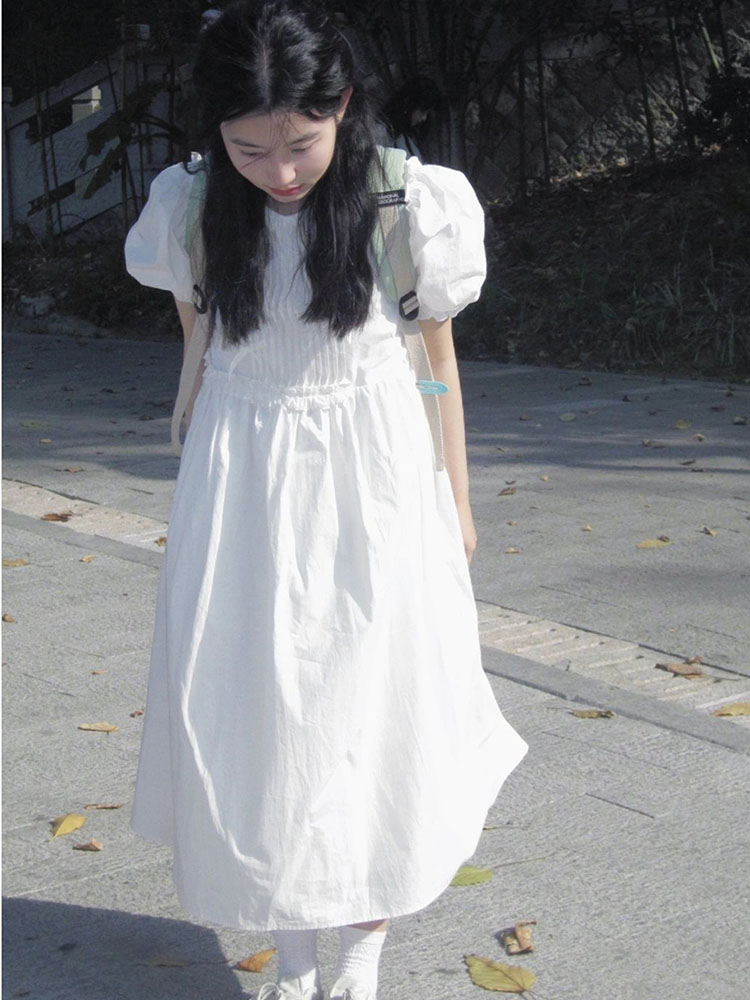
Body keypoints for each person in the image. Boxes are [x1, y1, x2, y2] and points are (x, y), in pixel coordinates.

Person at [124, 3, 527, 999]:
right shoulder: (190, 210)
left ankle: (361, 950)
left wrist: (458, 501)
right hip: (241, 486)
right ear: (216, 135)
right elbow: (201, 338)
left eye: (301, 143)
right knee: (259, 721)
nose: (280, 171)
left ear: (342, 105)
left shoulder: (405, 204)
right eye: (249, 149)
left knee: (370, 714)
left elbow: (437, 363)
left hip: (374, 482)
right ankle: (294, 955)